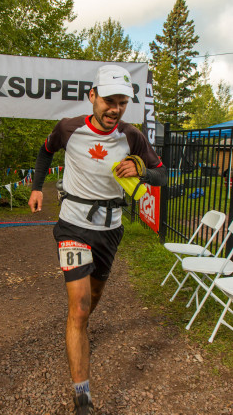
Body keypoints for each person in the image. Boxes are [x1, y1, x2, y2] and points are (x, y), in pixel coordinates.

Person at [28, 64, 167, 414]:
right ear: (92, 97)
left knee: (93, 298)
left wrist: (143, 170)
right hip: (73, 225)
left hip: (110, 229)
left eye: (122, 102)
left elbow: (162, 176)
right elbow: (45, 151)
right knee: (78, 306)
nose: (115, 109)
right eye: (109, 101)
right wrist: (36, 188)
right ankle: (82, 397)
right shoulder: (68, 128)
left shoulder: (132, 136)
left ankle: (81, 327)